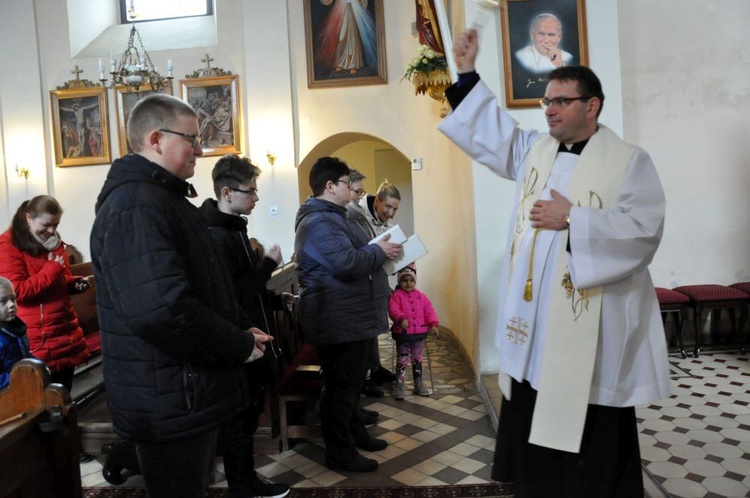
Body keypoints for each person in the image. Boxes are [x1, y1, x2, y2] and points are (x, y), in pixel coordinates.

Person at [439, 29, 671, 497]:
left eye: (562, 101)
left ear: (593, 106)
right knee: (533, 402)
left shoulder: (628, 161)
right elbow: (493, 134)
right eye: (547, 101)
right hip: (536, 321)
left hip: (594, 321)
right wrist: (465, 74)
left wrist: (575, 220)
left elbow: (645, 229)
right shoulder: (536, 151)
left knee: (589, 414)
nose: (550, 109)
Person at [90, 93, 272, 498]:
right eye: (192, 138)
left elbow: (203, 288)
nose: (201, 148)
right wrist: (237, 344)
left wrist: (242, 327)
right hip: (167, 395)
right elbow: (161, 309)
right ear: (156, 139)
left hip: (181, 389)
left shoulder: (162, 199)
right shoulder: (135, 205)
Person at [294, 156, 403, 472]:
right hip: (337, 317)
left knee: (351, 385)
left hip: (349, 314)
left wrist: (374, 249)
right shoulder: (318, 221)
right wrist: (378, 251)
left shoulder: (334, 216)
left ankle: (356, 435)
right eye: (346, 183)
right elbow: (345, 263)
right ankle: (340, 453)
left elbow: (353, 254)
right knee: (340, 390)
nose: (353, 190)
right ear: (330, 186)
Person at [199, 153, 292, 498]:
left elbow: (247, 290)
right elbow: (232, 296)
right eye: (250, 191)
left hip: (250, 337)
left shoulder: (235, 228)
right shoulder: (215, 235)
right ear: (227, 193)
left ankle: (246, 481)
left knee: (249, 412)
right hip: (236, 343)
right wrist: (267, 264)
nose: (255, 197)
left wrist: (275, 301)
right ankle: (243, 485)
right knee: (240, 417)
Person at [0, 195, 90, 393]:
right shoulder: (8, 246)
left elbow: (57, 279)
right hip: (38, 336)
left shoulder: (52, 242)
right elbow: (18, 292)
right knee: (42, 403)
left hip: (62, 330)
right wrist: (52, 269)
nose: (51, 231)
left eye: (56, 225)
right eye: (46, 225)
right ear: (28, 218)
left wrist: (73, 283)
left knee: (63, 397)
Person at [356, 180, 402, 396]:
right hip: (362, 280)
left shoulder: (378, 217)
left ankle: (375, 368)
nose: (391, 213)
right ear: (377, 201)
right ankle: (364, 375)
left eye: (395, 209)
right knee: (365, 328)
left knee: (374, 326)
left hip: (377, 277)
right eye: (388, 207)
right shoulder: (359, 214)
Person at [388, 264, 439, 400]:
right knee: (402, 360)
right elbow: (393, 310)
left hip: (419, 334)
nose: (408, 283)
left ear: (415, 281)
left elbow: (429, 310)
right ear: (399, 281)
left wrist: (433, 323)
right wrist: (400, 318)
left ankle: (418, 383)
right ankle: (399, 385)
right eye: (405, 280)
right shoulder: (396, 296)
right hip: (403, 334)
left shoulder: (421, 296)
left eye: (411, 280)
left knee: (417, 360)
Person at [0, 277, 31, 390]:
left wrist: (38, 367)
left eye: (13, 299)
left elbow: (26, 355)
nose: (11, 305)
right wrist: (20, 377)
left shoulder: (17, 329)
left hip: (24, 387)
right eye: (3, 301)